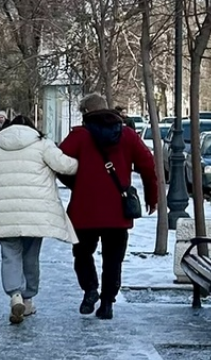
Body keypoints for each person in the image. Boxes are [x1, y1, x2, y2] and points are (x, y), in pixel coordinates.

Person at [59, 93, 157, 320]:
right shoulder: (128, 135)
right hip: (117, 212)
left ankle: (90, 289)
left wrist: (76, 184)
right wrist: (152, 198)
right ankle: (107, 303)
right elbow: (148, 165)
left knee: (82, 254)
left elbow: (58, 162)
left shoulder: (79, 137)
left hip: (84, 211)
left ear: (85, 113)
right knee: (113, 259)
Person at [0, 115, 79, 323]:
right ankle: (28, 299)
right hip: (35, 211)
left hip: (3, 209)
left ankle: (15, 296)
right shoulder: (42, 144)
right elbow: (66, 166)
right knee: (31, 255)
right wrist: (82, 160)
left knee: (10, 254)